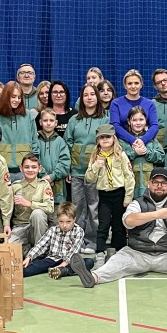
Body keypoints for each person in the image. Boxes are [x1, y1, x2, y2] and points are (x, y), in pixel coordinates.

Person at [66, 83, 106, 251]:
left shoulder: (106, 118)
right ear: (81, 99)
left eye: (92, 94)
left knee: (94, 208)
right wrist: (68, 168)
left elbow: (108, 144)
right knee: (77, 208)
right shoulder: (74, 120)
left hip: (96, 174)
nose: (89, 97)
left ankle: (92, 242)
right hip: (76, 173)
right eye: (86, 95)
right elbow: (67, 143)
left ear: (97, 97)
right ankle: (77, 241)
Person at [85, 123, 135, 260]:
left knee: (118, 225)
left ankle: (118, 252)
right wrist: (96, 166)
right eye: (101, 137)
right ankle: (100, 252)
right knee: (103, 224)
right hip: (104, 195)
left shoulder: (121, 155)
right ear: (97, 140)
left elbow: (129, 176)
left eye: (108, 137)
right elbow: (89, 178)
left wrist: (128, 197)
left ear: (113, 138)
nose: (105, 140)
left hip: (119, 194)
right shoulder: (95, 156)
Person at [23, 203, 90, 278]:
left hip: (69, 261)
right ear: (58, 219)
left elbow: (74, 250)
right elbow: (41, 245)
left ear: (74, 220)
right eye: (61, 222)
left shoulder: (78, 231)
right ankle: (56, 270)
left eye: (68, 222)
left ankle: (64, 271)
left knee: (89, 262)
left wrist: (63, 265)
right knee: (27, 270)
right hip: (52, 259)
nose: (64, 225)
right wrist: (29, 257)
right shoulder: (53, 230)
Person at [9, 153, 55, 253]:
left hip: (37, 228)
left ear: (40, 169)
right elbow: (7, 209)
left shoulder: (44, 185)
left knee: (37, 213)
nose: (30, 170)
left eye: (34, 167)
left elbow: (50, 208)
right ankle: (29, 252)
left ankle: (39, 252)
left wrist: (29, 204)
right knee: (9, 248)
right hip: (20, 227)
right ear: (21, 168)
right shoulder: (15, 186)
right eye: (27, 167)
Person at [120, 106, 166, 198]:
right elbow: (118, 160)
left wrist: (147, 152)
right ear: (129, 122)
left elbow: (161, 157)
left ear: (146, 121)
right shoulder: (122, 141)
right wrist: (135, 153)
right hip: (129, 187)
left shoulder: (152, 140)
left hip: (149, 186)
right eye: (134, 120)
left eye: (141, 119)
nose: (138, 123)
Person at [0, 81, 37, 175]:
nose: (16, 100)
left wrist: (32, 165)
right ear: (5, 96)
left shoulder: (28, 116)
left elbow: (35, 142)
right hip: (2, 171)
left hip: (25, 172)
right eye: (13, 96)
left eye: (19, 97)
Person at [109, 69, 160, 144]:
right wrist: (133, 141)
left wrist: (143, 141)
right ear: (125, 86)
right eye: (129, 83)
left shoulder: (150, 104)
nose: (133, 86)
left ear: (141, 84)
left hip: (145, 144)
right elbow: (115, 126)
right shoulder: (116, 103)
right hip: (122, 145)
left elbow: (154, 126)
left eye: (136, 83)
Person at [33, 107, 70, 205]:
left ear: (56, 123)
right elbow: (34, 160)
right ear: (40, 122)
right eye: (45, 120)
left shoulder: (61, 142)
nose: (48, 123)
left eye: (51, 120)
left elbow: (65, 164)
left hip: (58, 189)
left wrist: (52, 177)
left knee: (56, 217)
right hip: (39, 185)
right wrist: (44, 176)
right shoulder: (35, 141)